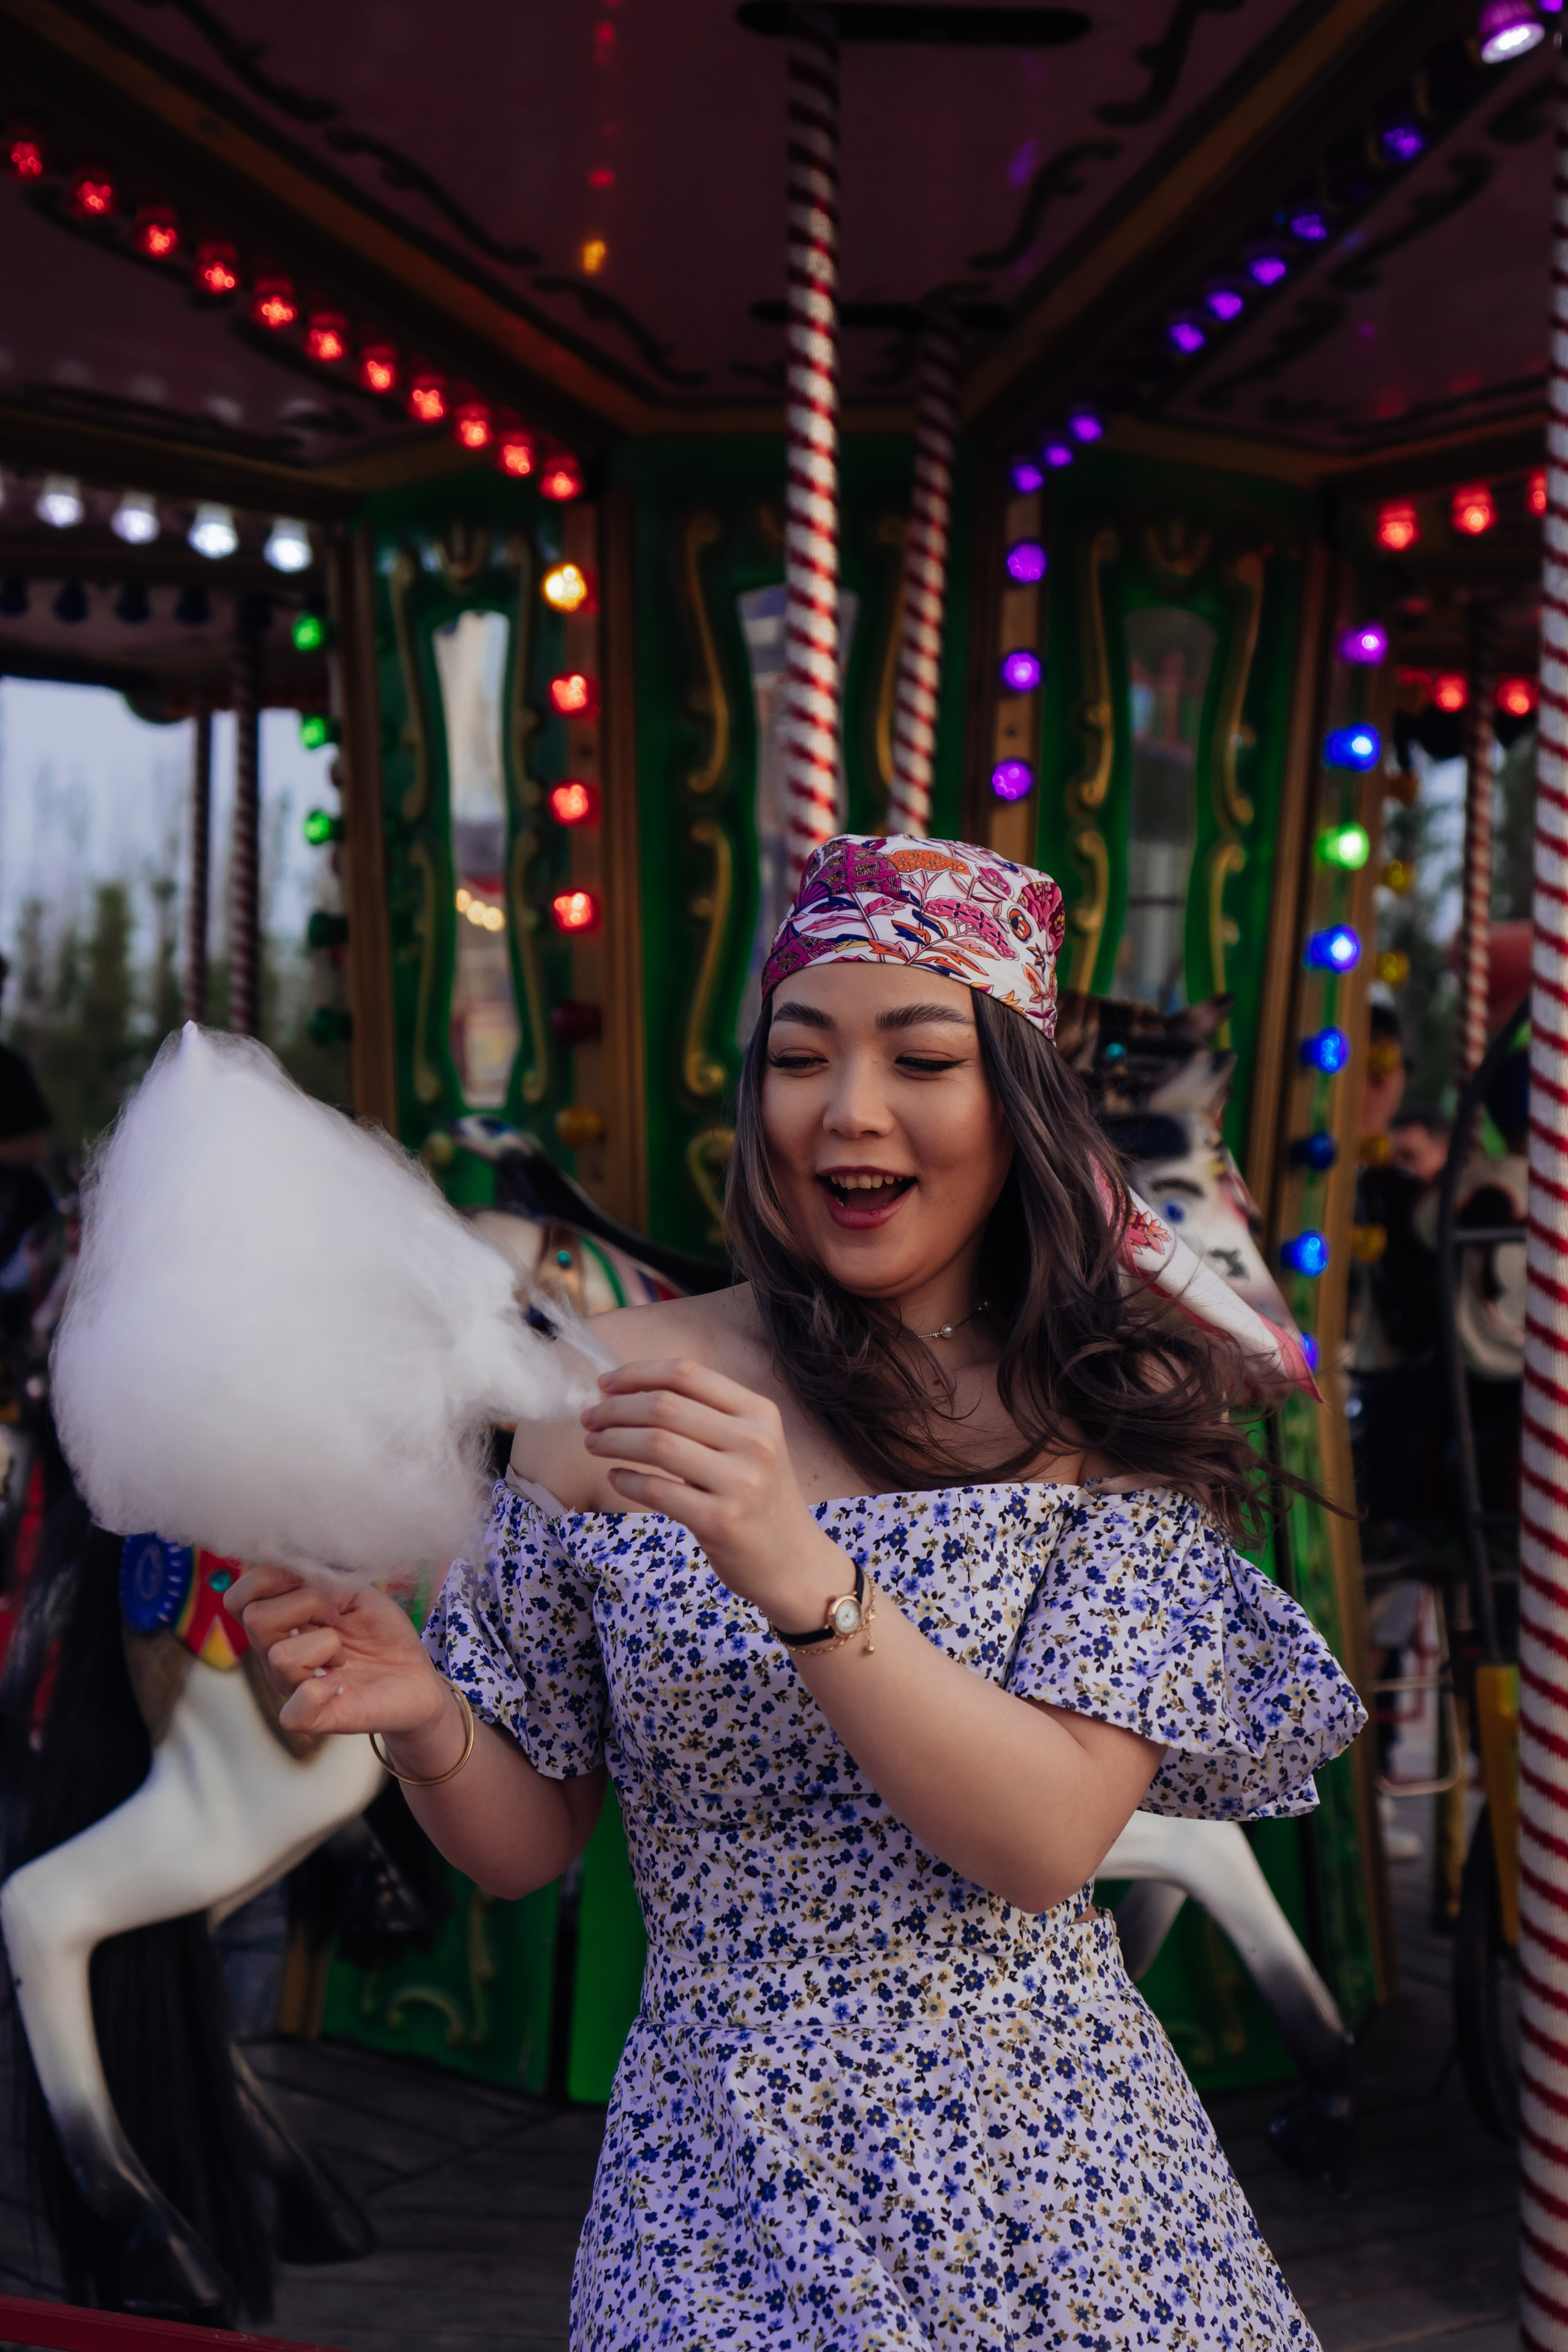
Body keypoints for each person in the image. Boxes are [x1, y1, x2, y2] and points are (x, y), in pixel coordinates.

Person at [231, 835, 1362, 2349]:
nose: (848, 1109)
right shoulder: (606, 1388)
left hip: (1051, 2188)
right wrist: (424, 1714)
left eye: (919, 1056)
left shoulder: (1108, 1408)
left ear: (1010, 1101)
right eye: (801, 1055)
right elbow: (521, 1845)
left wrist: (794, 1568)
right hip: (713, 2189)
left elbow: (1036, 1842)